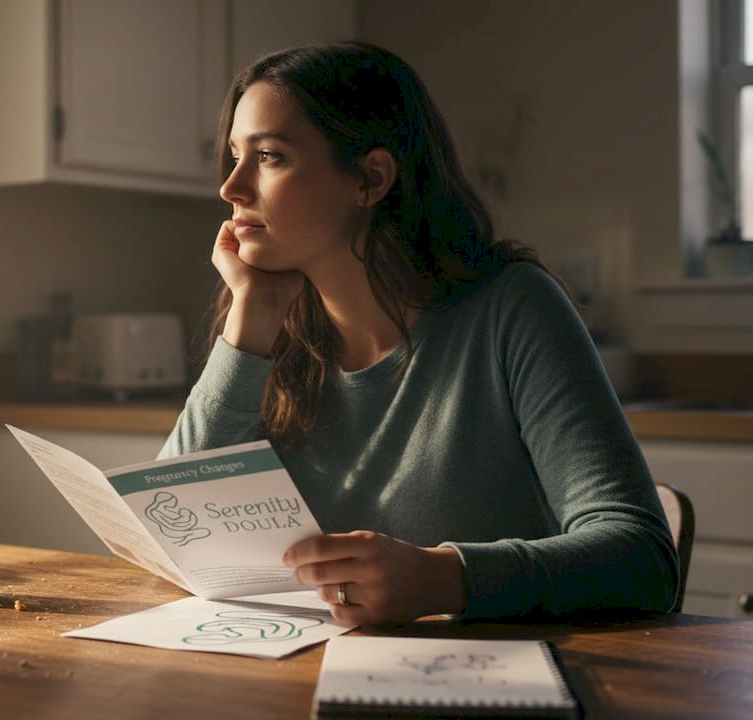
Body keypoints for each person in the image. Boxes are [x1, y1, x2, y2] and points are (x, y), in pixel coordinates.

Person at [160, 42, 679, 626]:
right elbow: (174, 532)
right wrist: (248, 322)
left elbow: (641, 557)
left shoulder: (511, 307)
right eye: (233, 156)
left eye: (270, 156)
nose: (232, 188)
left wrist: (445, 578)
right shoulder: (263, 331)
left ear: (370, 177)